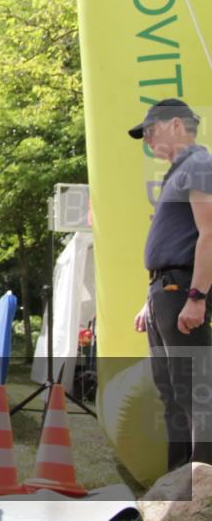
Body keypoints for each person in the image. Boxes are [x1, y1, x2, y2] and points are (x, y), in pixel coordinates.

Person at [129, 98, 212, 469]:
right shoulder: (179, 171)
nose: (147, 140)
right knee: (172, 393)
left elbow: (209, 233)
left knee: (196, 391)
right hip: (166, 290)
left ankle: (202, 487)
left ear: (176, 124)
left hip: (183, 289)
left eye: (151, 130)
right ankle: (178, 483)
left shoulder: (200, 164)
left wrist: (196, 295)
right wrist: (153, 296)